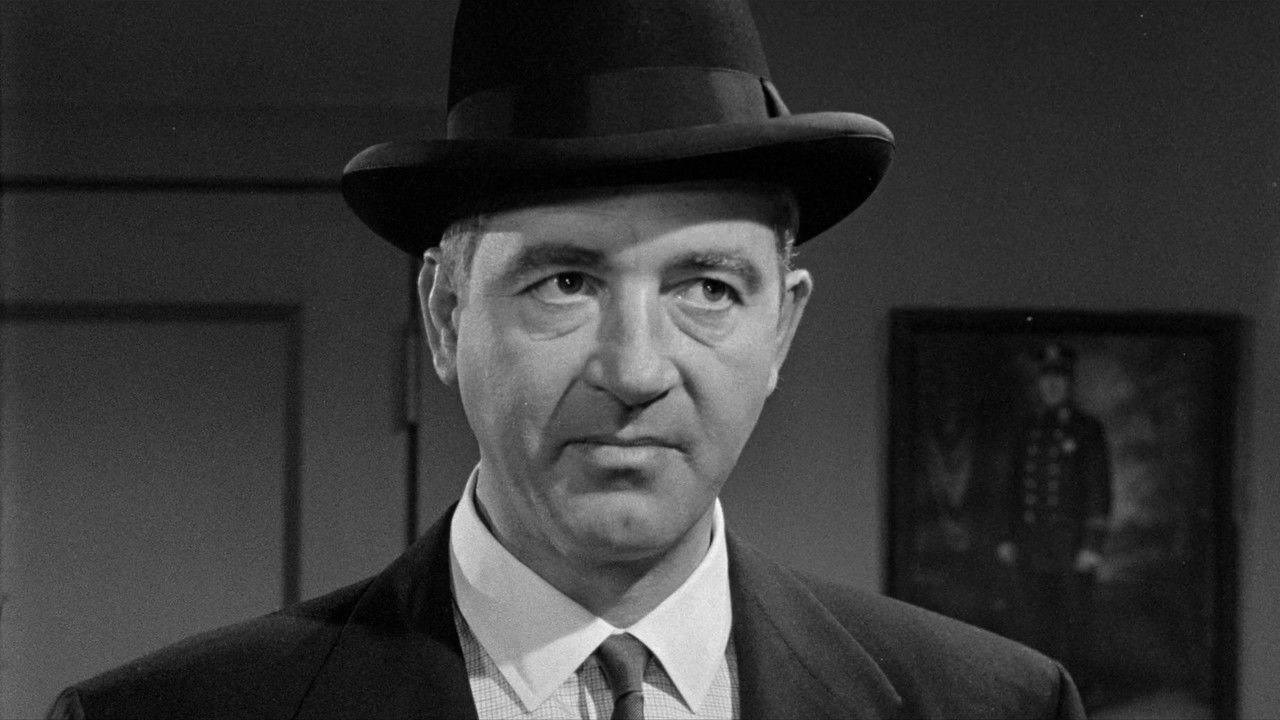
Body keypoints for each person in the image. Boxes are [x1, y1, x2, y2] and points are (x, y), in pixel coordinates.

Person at [49, 1, 1086, 717]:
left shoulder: (994, 707)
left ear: (781, 329)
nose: (634, 371)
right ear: (445, 315)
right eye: (565, 282)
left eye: (706, 289)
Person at [996, 342, 1113, 694]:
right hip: (1031, 543)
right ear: (1039, 383)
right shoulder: (1026, 428)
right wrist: (1006, 536)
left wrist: (1092, 545)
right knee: (1034, 625)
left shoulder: (1087, 429)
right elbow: (1011, 487)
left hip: (1072, 546)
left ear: (1069, 383)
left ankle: (1078, 700)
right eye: (1046, 378)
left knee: (1075, 625)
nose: (1052, 385)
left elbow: (1099, 489)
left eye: (1059, 378)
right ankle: (1040, 699)